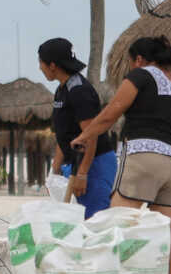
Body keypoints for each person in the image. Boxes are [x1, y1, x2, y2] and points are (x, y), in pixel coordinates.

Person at [71, 36, 171, 274]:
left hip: (143, 154)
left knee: (117, 222)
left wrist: (85, 136)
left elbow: (112, 111)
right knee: (170, 233)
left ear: (138, 59)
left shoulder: (140, 75)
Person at [39, 37, 117, 218]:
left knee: (93, 222)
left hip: (94, 163)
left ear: (52, 65)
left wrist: (82, 174)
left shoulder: (79, 91)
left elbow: (91, 135)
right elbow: (63, 133)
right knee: (73, 221)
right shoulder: (62, 90)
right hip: (74, 163)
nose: (40, 68)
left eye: (41, 63)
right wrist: (55, 171)